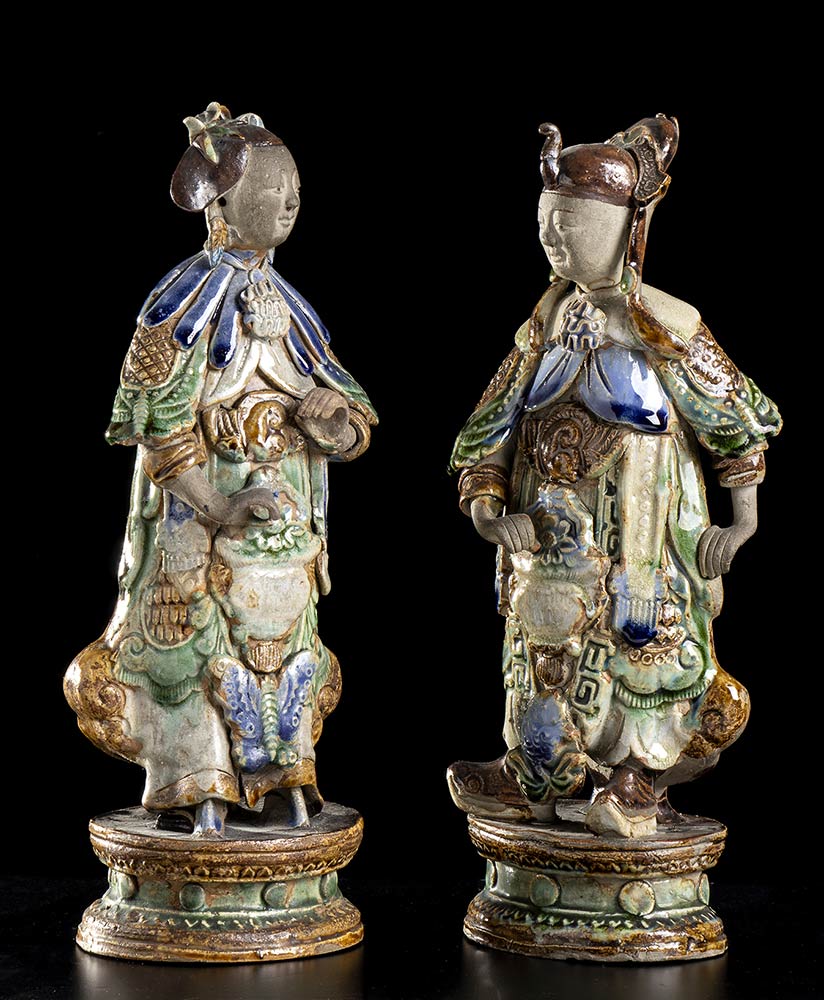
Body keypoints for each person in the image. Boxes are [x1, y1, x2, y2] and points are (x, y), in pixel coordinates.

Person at [447, 115, 781, 837]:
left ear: (627, 227)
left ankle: (635, 778)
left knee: (642, 649)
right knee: (543, 647)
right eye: (545, 222)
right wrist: (486, 506)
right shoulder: (544, 323)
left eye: (570, 223)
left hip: (643, 527)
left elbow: (732, 416)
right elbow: (493, 421)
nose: (553, 237)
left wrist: (742, 520)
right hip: (549, 529)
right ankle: (532, 767)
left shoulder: (664, 324)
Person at [65, 103, 376, 836]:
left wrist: (332, 421)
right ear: (223, 204)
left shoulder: (294, 310)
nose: (289, 203)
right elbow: (158, 427)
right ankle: (195, 782)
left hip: (281, 530)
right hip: (200, 522)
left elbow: (353, 415)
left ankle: (287, 778)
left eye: (295, 189)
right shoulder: (179, 307)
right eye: (272, 190)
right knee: (195, 647)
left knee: (282, 650)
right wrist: (216, 503)